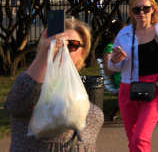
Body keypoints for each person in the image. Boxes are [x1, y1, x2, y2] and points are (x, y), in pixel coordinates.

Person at [6, 17, 104, 151]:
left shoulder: (78, 93)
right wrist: (43, 56)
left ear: (81, 52)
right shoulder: (31, 85)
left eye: (72, 45)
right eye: (59, 43)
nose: (64, 49)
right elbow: (15, 105)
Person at [107, 0, 158, 152]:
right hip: (127, 90)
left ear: (153, 10)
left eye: (146, 8)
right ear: (131, 12)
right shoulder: (123, 34)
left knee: (140, 138)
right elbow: (113, 67)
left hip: (155, 90)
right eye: (137, 10)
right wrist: (114, 61)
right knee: (133, 141)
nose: (141, 12)